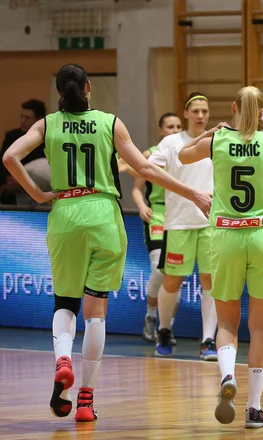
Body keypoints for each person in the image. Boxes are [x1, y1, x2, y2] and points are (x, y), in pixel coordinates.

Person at [1, 63, 211, 423]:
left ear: (59, 92)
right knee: (95, 311)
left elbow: (9, 157)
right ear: (88, 87)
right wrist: (192, 192)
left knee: (64, 303)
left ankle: (62, 360)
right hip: (103, 215)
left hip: (65, 211)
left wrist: (37, 193)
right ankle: (85, 400)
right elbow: (146, 170)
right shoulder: (110, 122)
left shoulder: (46, 124)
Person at [179, 86, 263, 429]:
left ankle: (227, 376)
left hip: (224, 234)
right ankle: (254, 408)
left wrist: (210, 132)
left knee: (226, 324)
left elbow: (182, 155)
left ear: (234, 108)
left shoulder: (218, 141)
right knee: (259, 327)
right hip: (260, 235)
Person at [148, 93, 218, 360]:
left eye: (205, 111)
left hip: (211, 222)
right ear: (186, 113)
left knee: (210, 281)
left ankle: (208, 340)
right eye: (196, 111)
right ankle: (164, 329)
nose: (201, 115)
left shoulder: (217, 142)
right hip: (178, 223)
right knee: (173, 280)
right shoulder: (171, 143)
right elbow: (149, 169)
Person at [131, 112, 183, 342]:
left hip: (181, 216)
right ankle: (151, 316)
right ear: (160, 130)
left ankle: (167, 327)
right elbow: (136, 188)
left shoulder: (189, 154)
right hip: (158, 215)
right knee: (159, 269)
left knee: (175, 273)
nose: (174, 129)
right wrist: (142, 204)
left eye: (178, 126)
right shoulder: (150, 154)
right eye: (170, 126)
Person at [0, 99, 47, 204]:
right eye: (21, 117)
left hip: (36, 190)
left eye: (27, 118)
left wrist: (20, 181)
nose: (23, 120)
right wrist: (9, 180)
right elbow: (2, 162)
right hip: (9, 189)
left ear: (39, 119)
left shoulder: (47, 141)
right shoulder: (11, 136)